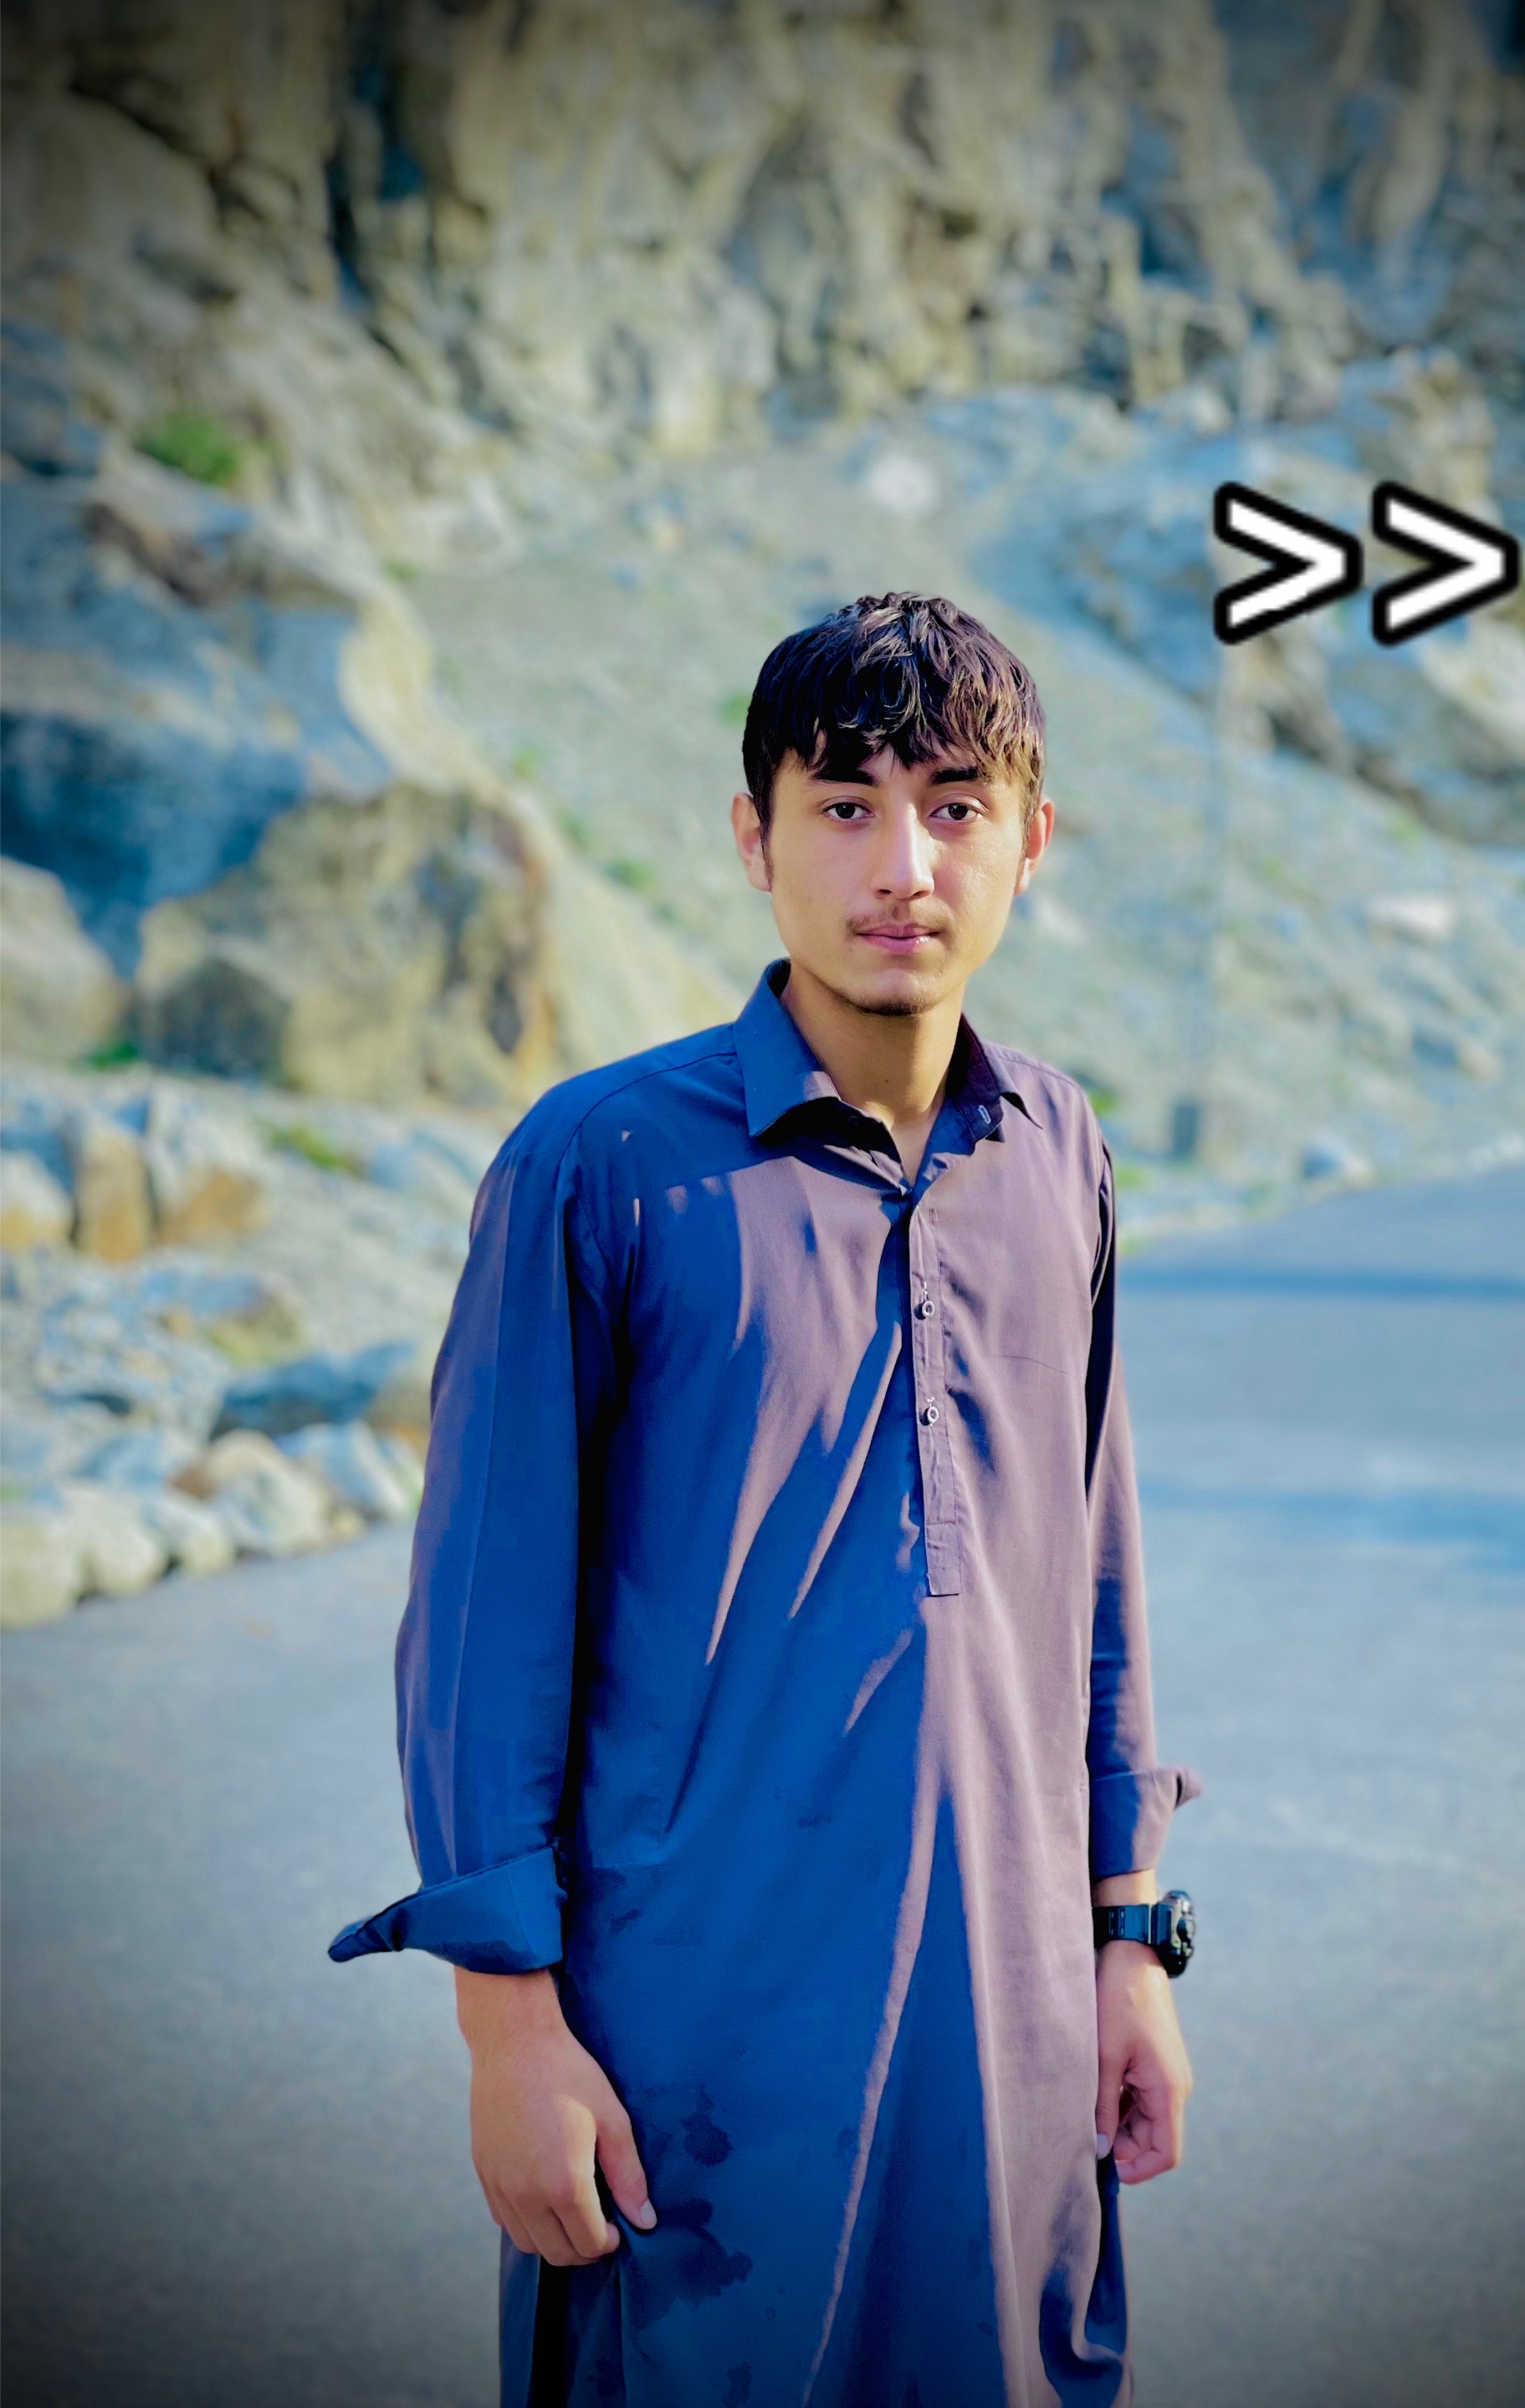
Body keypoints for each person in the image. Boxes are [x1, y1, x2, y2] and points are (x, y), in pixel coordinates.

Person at [332, 590, 1199, 2407]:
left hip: (1017, 2029)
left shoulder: (1059, 1152)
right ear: (755, 837)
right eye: (845, 806)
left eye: (956, 807)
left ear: (1033, 841)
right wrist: (509, 2036)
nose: (904, 866)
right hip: (692, 2068)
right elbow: (487, 1632)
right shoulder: (601, 1166)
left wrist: (1132, 1942)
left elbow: (1097, 1580)